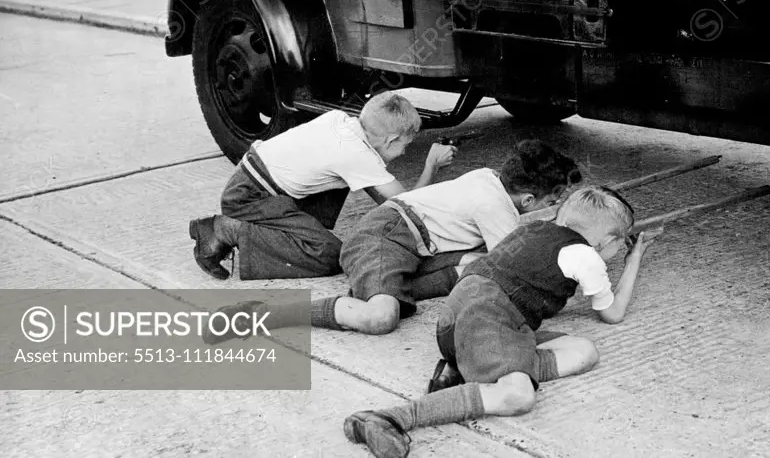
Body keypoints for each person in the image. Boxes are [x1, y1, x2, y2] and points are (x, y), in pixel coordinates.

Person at [342, 186, 660, 458]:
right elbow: (613, 313)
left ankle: (472, 366)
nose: (619, 251)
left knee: (583, 350)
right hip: (488, 320)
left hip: (460, 319)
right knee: (517, 396)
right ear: (606, 242)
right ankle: (390, 417)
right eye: (620, 245)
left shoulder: (531, 229)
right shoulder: (586, 256)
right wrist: (634, 262)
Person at [203, 140, 581, 341]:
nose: (553, 207)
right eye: (553, 200)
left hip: (410, 244)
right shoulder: (494, 206)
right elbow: (518, 264)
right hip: (383, 236)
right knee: (380, 318)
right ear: (529, 200)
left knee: (473, 268)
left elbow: (506, 241)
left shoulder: (490, 179)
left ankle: (374, 292)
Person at [188, 92, 456, 281]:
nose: (405, 153)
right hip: (249, 198)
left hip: (251, 181)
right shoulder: (356, 155)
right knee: (327, 255)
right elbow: (405, 205)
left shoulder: (342, 122)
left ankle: (277, 232)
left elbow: (378, 193)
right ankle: (223, 230)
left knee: (340, 188)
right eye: (405, 146)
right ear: (391, 139)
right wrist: (432, 165)